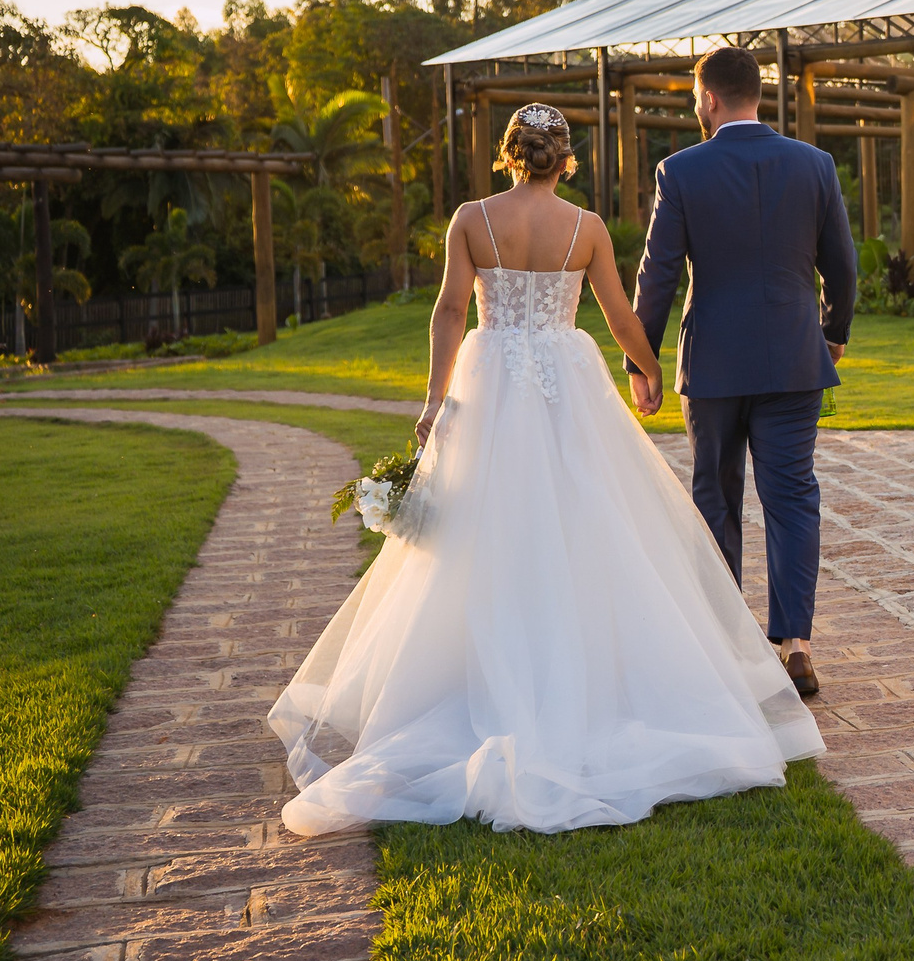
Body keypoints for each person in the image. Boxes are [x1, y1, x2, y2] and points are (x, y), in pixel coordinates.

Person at [268, 102, 824, 837]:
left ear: (509, 155)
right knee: (589, 524)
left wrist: (435, 397)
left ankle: (479, 680)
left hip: (490, 377)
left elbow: (449, 310)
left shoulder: (471, 217)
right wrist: (647, 367)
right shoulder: (586, 227)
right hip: (567, 379)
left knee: (483, 535)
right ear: (565, 160)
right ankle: (589, 678)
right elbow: (620, 314)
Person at [627, 45, 858, 699]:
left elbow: (659, 274)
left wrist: (640, 362)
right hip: (794, 356)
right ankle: (796, 644)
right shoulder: (815, 164)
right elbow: (841, 263)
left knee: (716, 498)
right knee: (791, 496)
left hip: (715, 366)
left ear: (708, 99)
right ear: (757, 92)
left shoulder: (680, 170)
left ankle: (728, 648)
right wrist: (832, 331)